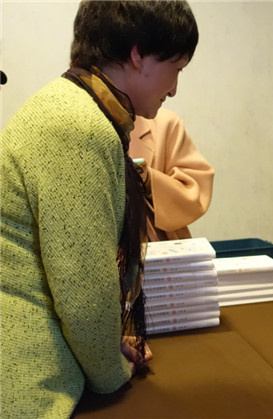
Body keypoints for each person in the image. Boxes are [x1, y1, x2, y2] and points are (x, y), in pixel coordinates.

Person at [0, 1, 198, 417]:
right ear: (138, 53)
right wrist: (113, 370)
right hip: (32, 379)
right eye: (177, 68)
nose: (175, 89)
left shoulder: (70, 106)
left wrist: (109, 343)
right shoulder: (79, 125)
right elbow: (83, 290)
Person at [129, 108, 215, 241]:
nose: (171, 96)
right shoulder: (94, 126)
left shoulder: (166, 124)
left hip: (158, 245)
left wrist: (149, 180)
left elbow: (194, 194)